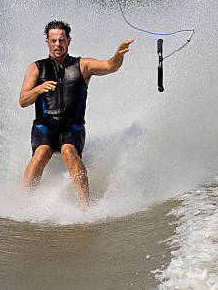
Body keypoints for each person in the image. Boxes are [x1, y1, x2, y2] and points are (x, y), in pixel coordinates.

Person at [19, 20, 133, 208]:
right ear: (47, 41)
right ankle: (25, 204)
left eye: (61, 40)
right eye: (53, 40)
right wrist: (38, 89)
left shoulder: (83, 65)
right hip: (44, 126)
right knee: (42, 152)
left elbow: (110, 66)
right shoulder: (36, 68)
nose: (58, 44)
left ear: (69, 41)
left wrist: (118, 55)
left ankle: (85, 206)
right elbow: (23, 101)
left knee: (68, 150)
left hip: (73, 126)